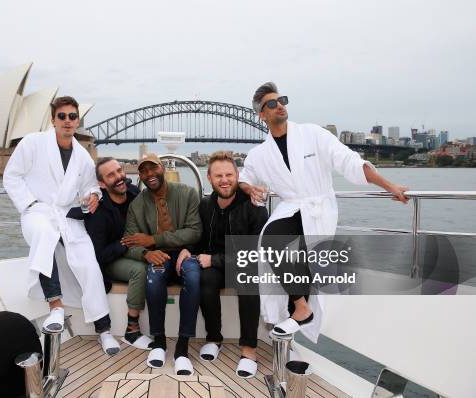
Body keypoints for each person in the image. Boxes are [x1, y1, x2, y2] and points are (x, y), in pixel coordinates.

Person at [239, 82, 409, 343]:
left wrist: (389, 185)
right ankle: (300, 308)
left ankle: (297, 313)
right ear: (262, 115)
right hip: (290, 207)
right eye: (271, 103)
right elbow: (244, 176)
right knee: (270, 238)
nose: (280, 105)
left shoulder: (312, 134)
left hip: (318, 209)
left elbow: (349, 161)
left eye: (282, 99)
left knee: (306, 255)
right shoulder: (260, 153)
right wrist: (249, 188)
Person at [3, 96, 120, 355]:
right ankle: (55, 306)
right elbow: (11, 176)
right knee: (44, 234)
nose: (68, 121)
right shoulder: (32, 143)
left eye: (72, 116)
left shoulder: (82, 156)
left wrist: (93, 196)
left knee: (89, 264)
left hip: (66, 217)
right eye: (62, 116)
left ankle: (104, 330)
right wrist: (30, 203)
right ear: (52, 119)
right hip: (37, 212)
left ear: (78, 120)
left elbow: (91, 186)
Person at [177, 151, 268, 378]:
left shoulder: (254, 207)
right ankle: (214, 338)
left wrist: (214, 259)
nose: (224, 180)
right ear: (209, 178)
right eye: (218, 176)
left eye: (229, 174)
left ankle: (249, 350)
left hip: (245, 264)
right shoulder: (205, 206)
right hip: (217, 266)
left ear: (237, 175)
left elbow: (255, 253)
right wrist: (187, 249)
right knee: (205, 278)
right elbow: (198, 239)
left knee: (248, 281)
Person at [121, 153, 202, 375]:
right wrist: (147, 253)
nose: (149, 174)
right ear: (140, 175)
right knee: (153, 278)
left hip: (185, 253)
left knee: (194, 278)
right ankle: (159, 342)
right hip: (156, 256)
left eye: (153, 168)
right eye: (144, 171)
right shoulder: (137, 205)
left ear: (162, 168)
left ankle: (183, 348)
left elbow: (195, 232)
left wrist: (154, 239)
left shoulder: (187, 193)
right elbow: (130, 242)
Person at [84, 157, 153, 350]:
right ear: (101, 184)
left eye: (119, 171)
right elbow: (98, 256)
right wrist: (123, 244)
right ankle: (132, 330)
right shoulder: (97, 213)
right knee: (139, 270)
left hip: (132, 248)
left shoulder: (133, 193)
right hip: (111, 259)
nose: (118, 177)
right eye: (111, 175)